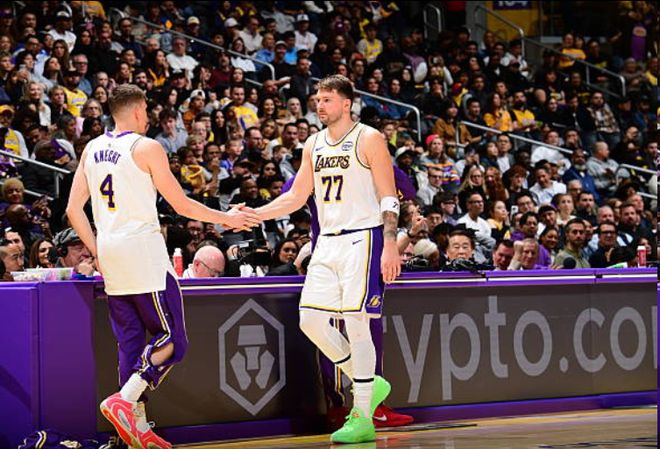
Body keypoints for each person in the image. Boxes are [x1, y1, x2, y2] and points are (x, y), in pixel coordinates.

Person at [65, 84, 260, 449]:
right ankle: (125, 401)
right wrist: (227, 219)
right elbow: (182, 205)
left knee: (130, 343)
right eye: (147, 112)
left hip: (111, 253)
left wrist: (96, 249)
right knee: (173, 341)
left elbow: (73, 209)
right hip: (143, 253)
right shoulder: (146, 147)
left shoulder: (91, 148)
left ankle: (133, 431)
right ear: (139, 111)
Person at [254, 75, 399, 444]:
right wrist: (256, 213)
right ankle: (369, 383)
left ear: (346, 103)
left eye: (327, 99)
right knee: (311, 321)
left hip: (363, 237)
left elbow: (389, 195)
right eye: (317, 100)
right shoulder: (313, 144)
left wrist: (390, 243)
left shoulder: (368, 138)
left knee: (356, 323)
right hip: (327, 242)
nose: (319, 106)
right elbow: (295, 196)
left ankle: (362, 414)